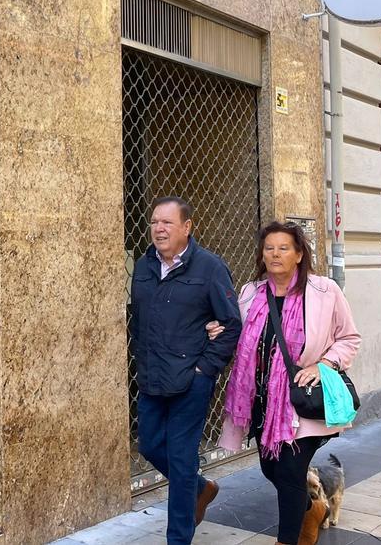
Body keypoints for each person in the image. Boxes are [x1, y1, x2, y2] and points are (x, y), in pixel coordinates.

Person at [218, 221, 362, 545]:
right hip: (262, 403)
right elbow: (241, 339)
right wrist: (219, 332)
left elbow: (349, 337)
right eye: (269, 248)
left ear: (299, 254)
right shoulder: (251, 293)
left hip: (301, 402)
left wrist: (324, 363)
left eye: (283, 248)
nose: (275, 254)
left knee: (290, 472)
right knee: (272, 471)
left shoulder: (325, 291)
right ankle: (312, 510)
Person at [129, 196, 242, 545]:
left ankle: (178, 538)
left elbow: (231, 324)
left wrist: (204, 369)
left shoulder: (209, 268)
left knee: (179, 459)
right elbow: (138, 319)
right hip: (151, 378)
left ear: (187, 227)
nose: (159, 229)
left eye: (167, 223)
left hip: (190, 382)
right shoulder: (145, 266)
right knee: (149, 445)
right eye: (154, 223)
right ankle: (200, 487)